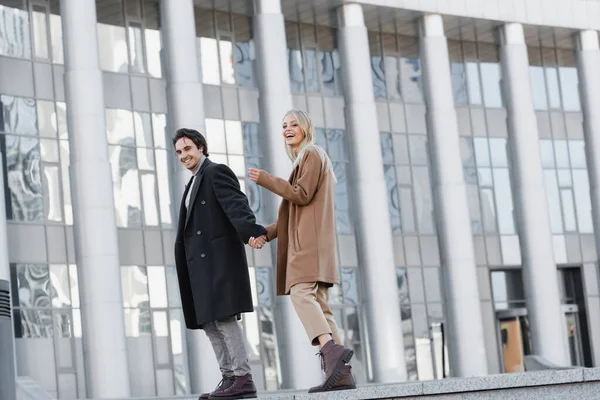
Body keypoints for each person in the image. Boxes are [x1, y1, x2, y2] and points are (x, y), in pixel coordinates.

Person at [247, 110, 356, 393]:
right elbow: (292, 213)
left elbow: (301, 194)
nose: (287, 128)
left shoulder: (312, 154)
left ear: (306, 127)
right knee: (320, 305)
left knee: (300, 294)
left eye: (294, 123)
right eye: (283, 125)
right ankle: (341, 373)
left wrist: (267, 180)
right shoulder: (306, 160)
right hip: (314, 243)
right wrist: (264, 234)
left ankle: (330, 350)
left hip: (308, 245)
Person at [173, 128, 265, 400]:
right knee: (209, 323)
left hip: (217, 260)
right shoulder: (192, 182)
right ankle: (228, 377)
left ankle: (242, 377)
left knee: (224, 319)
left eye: (187, 149)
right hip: (199, 267)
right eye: (179, 152)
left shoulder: (215, 172)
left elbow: (236, 203)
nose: (184, 155)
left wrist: (251, 231)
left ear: (201, 147)